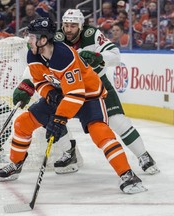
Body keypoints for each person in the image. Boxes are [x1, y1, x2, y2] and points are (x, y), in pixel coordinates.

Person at [0, 17, 147, 194]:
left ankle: (128, 175)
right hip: (62, 95)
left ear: (43, 39)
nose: (29, 40)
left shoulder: (63, 56)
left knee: (100, 132)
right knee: (23, 123)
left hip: (89, 96)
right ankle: (16, 163)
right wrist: (49, 93)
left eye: (32, 36)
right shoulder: (33, 54)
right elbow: (39, 80)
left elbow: (76, 94)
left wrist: (59, 119)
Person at [54, 9, 159, 174]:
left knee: (118, 121)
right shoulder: (57, 39)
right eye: (66, 25)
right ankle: (69, 153)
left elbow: (115, 55)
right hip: (70, 87)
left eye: (73, 26)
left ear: (81, 26)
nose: (68, 29)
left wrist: (98, 56)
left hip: (98, 85)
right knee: (54, 118)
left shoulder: (92, 34)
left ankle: (143, 155)